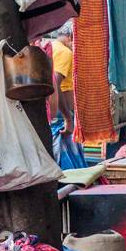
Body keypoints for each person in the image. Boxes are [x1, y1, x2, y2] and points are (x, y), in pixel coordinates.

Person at [49, 21, 86, 170]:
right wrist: (68, 118)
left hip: (54, 110)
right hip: (61, 113)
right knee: (66, 158)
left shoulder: (50, 47)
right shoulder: (65, 53)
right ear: (71, 36)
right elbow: (55, 84)